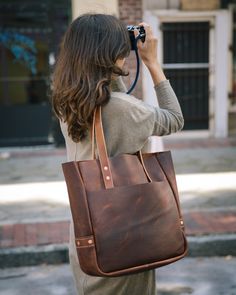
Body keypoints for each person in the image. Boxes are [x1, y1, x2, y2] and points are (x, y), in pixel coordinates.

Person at [52, 13, 184, 295]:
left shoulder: (67, 100)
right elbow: (174, 118)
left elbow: (107, 97)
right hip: (124, 234)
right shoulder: (124, 109)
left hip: (87, 228)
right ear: (111, 54)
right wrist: (151, 62)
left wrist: (111, 69)